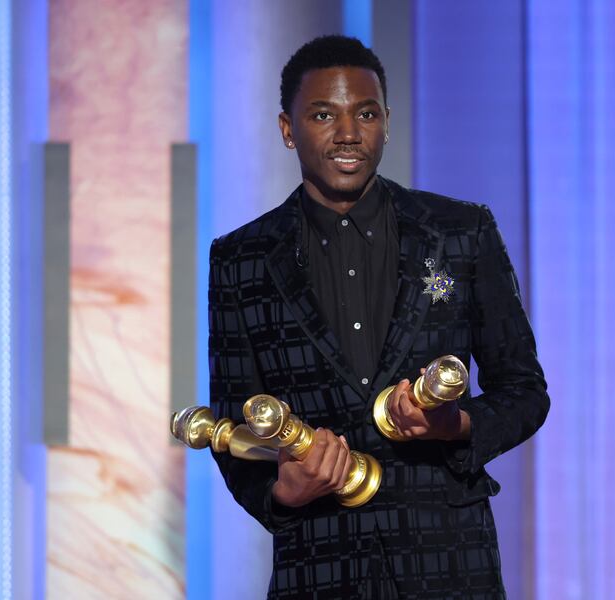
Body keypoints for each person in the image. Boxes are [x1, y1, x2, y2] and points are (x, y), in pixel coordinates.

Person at [208, 35, 550, 599]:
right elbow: (232, 424)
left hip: (449, 563)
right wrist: (282, 493)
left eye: (365, 113)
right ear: (287, 129)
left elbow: (524, 390)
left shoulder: (463, 232)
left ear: (386, 122)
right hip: (317, 567)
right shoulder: (240, 259)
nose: (348, 133)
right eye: (323, 114)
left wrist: (456, 426)